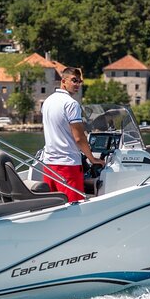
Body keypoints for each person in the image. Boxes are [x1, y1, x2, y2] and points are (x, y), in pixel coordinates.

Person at [41, 67, 106, 202]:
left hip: (48, 164)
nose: (77, 84)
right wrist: (92, 159)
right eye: (74, 80)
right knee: (74, 206)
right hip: (68, 166)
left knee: (54, 206)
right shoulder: (71, 104)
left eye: (79, 81)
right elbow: (79, 138)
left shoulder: (48, 101)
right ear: (63, 81)